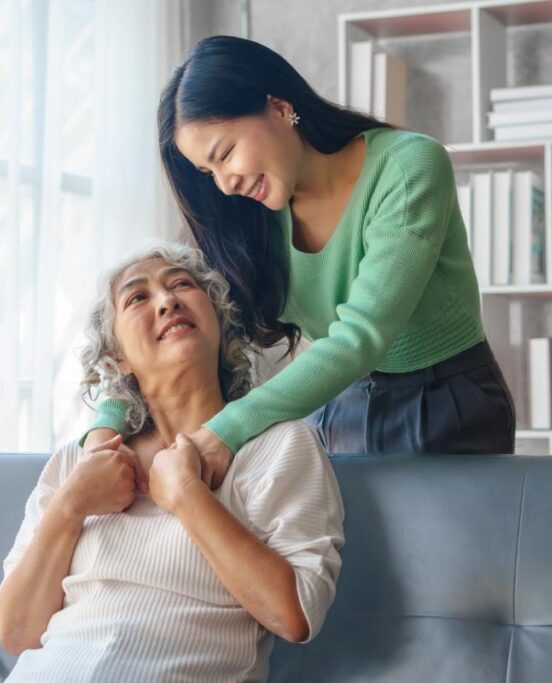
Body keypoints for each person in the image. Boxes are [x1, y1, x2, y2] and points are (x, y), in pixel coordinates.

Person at [83, 35, 516, 479]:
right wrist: (106, 429)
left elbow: (361, 336)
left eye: (225, 154)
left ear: (278, 105)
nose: (225, 184)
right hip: (336, 400)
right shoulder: (245, 216)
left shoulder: (409, 167)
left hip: (446, 403)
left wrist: (226, 431)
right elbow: (154, 333)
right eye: (208, 172)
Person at [0, 243, 344, 682]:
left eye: (183, 285)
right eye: (138, 297)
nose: (167, 300)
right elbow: (17, 630)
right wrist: (70, 506)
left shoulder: (280, 447)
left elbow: (295, 615)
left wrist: (187, 495)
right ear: (116, 356)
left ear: (218, 321)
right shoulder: (77, 462)